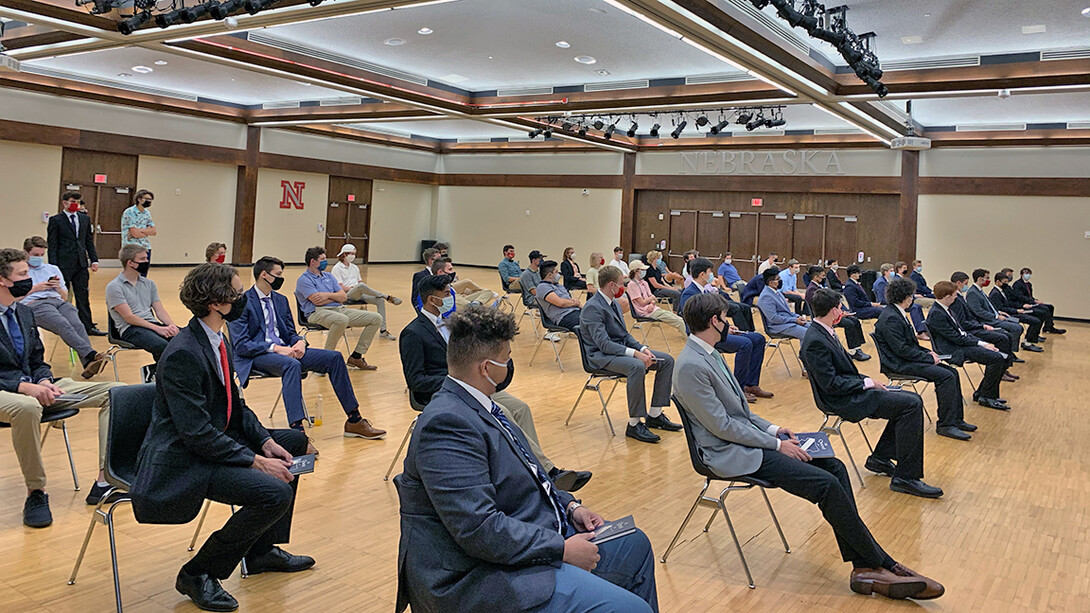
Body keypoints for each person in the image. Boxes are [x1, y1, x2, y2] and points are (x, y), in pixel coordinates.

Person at [673, 293, 944, 601]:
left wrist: (776, 430)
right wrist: (776, 444)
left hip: (750, 443)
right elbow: (722, 427)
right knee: (826, 485)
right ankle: (882, 563)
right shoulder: (690, 366)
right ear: (714, 322)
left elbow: (742, 413)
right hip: (729, 454)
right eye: (726, 318)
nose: (731, 324)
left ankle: (863, 566)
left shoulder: (710, 354)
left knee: (835, 467)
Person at [394, 306, 658, 613]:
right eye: (506, 358)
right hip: (475, 575)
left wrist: (570, 507)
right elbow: (478, 529)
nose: (508, 365)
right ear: (485, 368)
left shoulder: (481, 406)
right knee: (629, 608)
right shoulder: (447, 424)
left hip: (528, 534)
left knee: (635, 544)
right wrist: (560, 550)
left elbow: (530, 474)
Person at [131, 263, 314, 612]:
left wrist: (263, 442)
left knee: (291, 443)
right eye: (238, 291)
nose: (244, 297)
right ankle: (198, 572)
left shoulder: (218, 338)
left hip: (214, 437)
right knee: (274, 492)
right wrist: (255, 460)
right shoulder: (184, 353)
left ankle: (259, 552)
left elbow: (237, 405)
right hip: (186, 455)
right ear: (216, 302)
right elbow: (196, 434)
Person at [401, 275, 591, 492]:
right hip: (443, 392)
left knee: (521, 409)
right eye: (446, 294)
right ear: (432, 300)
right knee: (501, 411)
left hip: (472, 385)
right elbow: (415, 381)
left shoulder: (452, 323)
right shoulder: (413, 333)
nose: (451, 297)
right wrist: (456, 380)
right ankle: (544, 473)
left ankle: (535, 468)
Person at [0, 248, 121, 527]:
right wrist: (24, 387)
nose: (29, 279)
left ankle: (105, 481)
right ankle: (36, 491)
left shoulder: (24, 314)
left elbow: (37, 360)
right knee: (28, 406)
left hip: (35, 385)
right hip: (11, 392)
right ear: (2, 280)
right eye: (22, 274)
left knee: (117, 392)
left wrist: (42, 380)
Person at [801, 288, 942, 499]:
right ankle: (905, 477)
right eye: (840, 308)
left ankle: (881, 458)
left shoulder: (823, 331)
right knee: (911, 404)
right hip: (841, 399)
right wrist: (866, 383)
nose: (842, 312)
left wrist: (866, 382)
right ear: (833, 310)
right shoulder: (815, 341)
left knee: (909, 401)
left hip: (851, 390)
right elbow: (831, 384)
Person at [230, 256, 386, 438]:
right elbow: (242, 345)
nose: (281, 278)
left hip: (287, 351)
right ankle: (298, 431)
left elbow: (290, 332)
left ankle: (354, 420)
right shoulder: (242, 302)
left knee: (334, 358)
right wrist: (278, 349)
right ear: (264, 275)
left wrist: (300, 342)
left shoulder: (280, 300)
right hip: (258, 355)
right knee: (292, 365)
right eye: (278, 274)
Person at [580, 266, 680, 444]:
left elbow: (624, 336)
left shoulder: (614, 304)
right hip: (600, 356)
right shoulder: (592, 308)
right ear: (611, 285)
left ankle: (655, 414)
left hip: (617, 351)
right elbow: (603, 344)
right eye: (620, 284)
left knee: (667, 361)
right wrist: (634, 354)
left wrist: (642, 349)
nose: (623, 287)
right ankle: (634, 424)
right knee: (637, 366)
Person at [874, 277, 974, 440]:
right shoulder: (891, 317)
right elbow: (901, 349)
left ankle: (955, 419)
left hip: (907, 359)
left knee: (951, 372)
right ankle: (945, 424)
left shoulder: (897, 313)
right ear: (906, 298)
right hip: (899, 364)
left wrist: (928, 353)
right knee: (946, 376)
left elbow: (909, 345)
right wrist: (927, 358)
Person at [679, 259, 771, 402]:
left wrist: (726, 326)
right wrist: (722, 330)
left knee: (758, 339)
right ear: (702, 274)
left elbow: (714, 315)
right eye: (710, 272)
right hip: (705, 336)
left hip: (718, 330)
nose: (712, 275)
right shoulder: (689, 293)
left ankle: (751, 384)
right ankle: (738, 389)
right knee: (745, 344)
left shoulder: (706, 290)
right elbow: (695, 321)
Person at [19, 236, 108, 379]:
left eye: (42, 255)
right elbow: (15, 296)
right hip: (35, 304)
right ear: (26, 253)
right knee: (62, 324)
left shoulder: (52, 268)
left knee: (77, 324)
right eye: (36, 255)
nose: (39, 258)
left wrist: (57, 288)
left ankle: (88, 363)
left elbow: (65, 296)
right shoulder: (21, 271)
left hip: (57, 301)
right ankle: (91, 354)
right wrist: (36, 288)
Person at [295, 246, 383, 370]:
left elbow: (343, 297)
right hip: (316, 313)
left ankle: (356, 356)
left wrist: (327, 295)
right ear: (312, 262)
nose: (325, 262)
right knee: (341, 320)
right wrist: (336, 297)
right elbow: (317, 301)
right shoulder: (304, 280)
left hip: (339, 309)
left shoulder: (329, 277)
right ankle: (325, 361)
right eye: (322, 259)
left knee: (376, 318)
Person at [928, 281, 1011, 410]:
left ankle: (983, 393)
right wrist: (981, 343)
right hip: (954, 349)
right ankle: (987, 396)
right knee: (996, 358)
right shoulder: (937, 314)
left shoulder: (945, 309)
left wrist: (981, 343)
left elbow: (961, 332)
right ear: (947, 297)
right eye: (955, 295)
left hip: (960, 343)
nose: (956, 297)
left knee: (998, 355)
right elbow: (956, 338)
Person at [106, 244, 179, 363]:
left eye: (146, 258)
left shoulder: (149, 284)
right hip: (131, 329)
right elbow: (129, 317)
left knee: (182, 339)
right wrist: (158, 329)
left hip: (151, 324)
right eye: (142, 259)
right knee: (161, 345)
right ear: (130, 263)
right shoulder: (114, 287)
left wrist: (171, 326)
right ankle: (160, 376)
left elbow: (159, 310)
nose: (147, 262)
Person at [46, 191, 104, 336]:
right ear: (64, 203)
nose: (75, 204)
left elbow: (88, 241)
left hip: (80, 263)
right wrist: (53, 266)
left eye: (78, 202)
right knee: (62, 295)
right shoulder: (56, 220)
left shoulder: (84, 219)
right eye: (73, 201)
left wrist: (94, 259)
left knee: (83, 295)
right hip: (63, 263)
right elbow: (52, 244)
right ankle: (61, 324)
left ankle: (88, 326)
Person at [948, 272, 1020, 380]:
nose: (967, 285)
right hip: (971, 330)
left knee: (1006, 336)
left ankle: (1003, 369)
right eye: (966, 283)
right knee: (1003, 337)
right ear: (958, 283)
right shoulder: (957, 299)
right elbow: (963, 322)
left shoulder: (960, 297)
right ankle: (1000, 372)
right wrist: (982, 326)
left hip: (975, 325)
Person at [331, 243, 402, 341]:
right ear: (344, 254)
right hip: (347, 294)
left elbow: (360, 282)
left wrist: (359, 288)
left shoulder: (354, 267)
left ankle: (383, 330)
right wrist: (354, 287)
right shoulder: (337, 268)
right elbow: (340, 287)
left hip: (359, 292)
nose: (353, 256)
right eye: (351, 253)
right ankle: (387, 297)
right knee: (361, 286)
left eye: (354, 253)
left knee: (379, 300)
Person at [965, 269, 1039, 353]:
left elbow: (990, 306)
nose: (989, 280)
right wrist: (996, 316)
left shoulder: (979, 291)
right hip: (988, 320)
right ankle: (1010, 352)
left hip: (997, 315)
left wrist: (999, 312)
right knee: (1017, 328)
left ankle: (1010, 351)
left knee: (1015, 322)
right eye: (987, 278)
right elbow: (978, 311)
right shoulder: (973, 292)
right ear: (980, 279)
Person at [806, 266, 869, 361]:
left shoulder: (821, 287)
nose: (824, 278)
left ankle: (857, 347)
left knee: (854, 320)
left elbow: (835, 301)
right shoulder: (812, 290)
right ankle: (853, 351)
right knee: (849, 324)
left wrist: (843, 311)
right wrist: (838, 314)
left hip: (833, 313)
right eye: (822, 276)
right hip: (824, 316)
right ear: (816, 277)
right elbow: (821, 307)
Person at [626, 261, 685, 336]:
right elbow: (642, 302)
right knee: (679, 322)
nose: (645, 272)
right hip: (644, 312)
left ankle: (686, 336)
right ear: (636, 271)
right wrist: (651, 299)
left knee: (680, 319)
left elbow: (653, 298)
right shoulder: (632, 285)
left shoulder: (644, 283)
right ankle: (688, 340)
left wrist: (652, 303)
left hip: (653, 308)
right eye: (642, 270)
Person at [873, 264, 928, 340]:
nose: (893, 273)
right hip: (886, 304)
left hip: (894, 302)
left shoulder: (889, 280)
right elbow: (882, 299)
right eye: (891, 271)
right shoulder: (881, 283)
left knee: (917, 306)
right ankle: (920, 332)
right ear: (885, 272)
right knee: (914, 308)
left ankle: (924, 328)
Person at [989, 271, 1044, 344]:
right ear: (998, 282)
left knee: (1037, 317)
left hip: (1012, 312)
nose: (1006, 284)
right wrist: (1016, 311)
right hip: (1008, 315)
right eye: (1004, 282)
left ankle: (1029, 340)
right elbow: (1001, 309)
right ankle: (1028, 342)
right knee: (1034, 321)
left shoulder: (1001, 291)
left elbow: (1008, 304)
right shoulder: (995, 294)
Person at [757, 268, 810, 340]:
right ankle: (805, 351)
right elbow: (774, 319)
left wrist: (798, 317)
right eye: (778, 279)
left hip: (787, 322)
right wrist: (794, 320)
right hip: (777, 327)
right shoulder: (766, 297)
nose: (780, 280)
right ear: (771, 282)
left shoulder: (777, 292)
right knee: (807, 334)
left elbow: (787, 312)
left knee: (813, 329)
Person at [1011, 267, 1064, 334]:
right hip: (1025, 304)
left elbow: (1030, 296)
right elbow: (1020, 296)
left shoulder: (1029, 284)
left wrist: (1035, 300)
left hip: (1031, 302)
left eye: (1029, 273)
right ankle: (1042, 330)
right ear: (1021, 274)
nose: (1028, 275)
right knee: (1044, 310)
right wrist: (1033, 301)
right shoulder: (1017, 284)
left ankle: (1049, 326)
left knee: (1050, 307)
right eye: (1026, 273)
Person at [433, 257, 498, 307]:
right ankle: (474, 306)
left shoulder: (447, 283)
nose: (453, 272)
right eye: (450, 269)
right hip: (453, 300)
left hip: (457, 295)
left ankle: (475, 303)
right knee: (463, 301)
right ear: (440, 272)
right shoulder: (436, 286)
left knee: (488, 292)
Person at [536, 261, 582, 330]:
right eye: (556, 272)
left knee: (597, 317)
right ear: (550, 275)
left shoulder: (559, 286)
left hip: (575, 311)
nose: (559, 274)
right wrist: (575, 303)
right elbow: (560, 303)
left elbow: (570, 301)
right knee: (591, 323)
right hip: (564, 316)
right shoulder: (542, 287)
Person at [120, 189, 156, 275]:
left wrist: (140, 230)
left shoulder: (147, 213)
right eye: (146, 199)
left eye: (150, 200)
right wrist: (146, 231)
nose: (149, 201)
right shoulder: (129, 212)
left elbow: (154, 231)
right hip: (132, 247)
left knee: (143, 275)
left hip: (145, 246)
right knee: (133, 274)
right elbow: (135, 234)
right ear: (139, 199)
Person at [411, 247, 441, 311]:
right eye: (439, 260)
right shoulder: (420, 276)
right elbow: (415, 297)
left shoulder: (442, 273)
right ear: (431, 261)